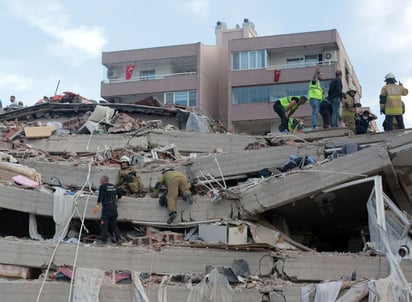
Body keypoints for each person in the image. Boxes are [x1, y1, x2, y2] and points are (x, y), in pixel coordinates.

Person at [93, 175, 122, 244]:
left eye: (100, 180)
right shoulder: (114, 186)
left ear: (104, 180)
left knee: (104, 223)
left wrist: (96, 207)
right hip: (114, 207)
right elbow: (120, 194)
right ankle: (118, 238)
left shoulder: (102, 187)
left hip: (107, 208)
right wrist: (116, 199)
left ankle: (104, 239)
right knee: (113, 224)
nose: (100, 181)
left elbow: (100, 197)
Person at [308, 64, 324, 129]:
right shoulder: (314, 81)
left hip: (317, 99)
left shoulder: (318, 83)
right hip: (314, 99)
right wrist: (316, 70)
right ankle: (314, 125)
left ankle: (314, 125)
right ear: (317, 75)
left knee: (316, 112)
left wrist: (322, 92)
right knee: (315, 112)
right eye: (321, 75)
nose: (322, 76)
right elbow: (314, 77)